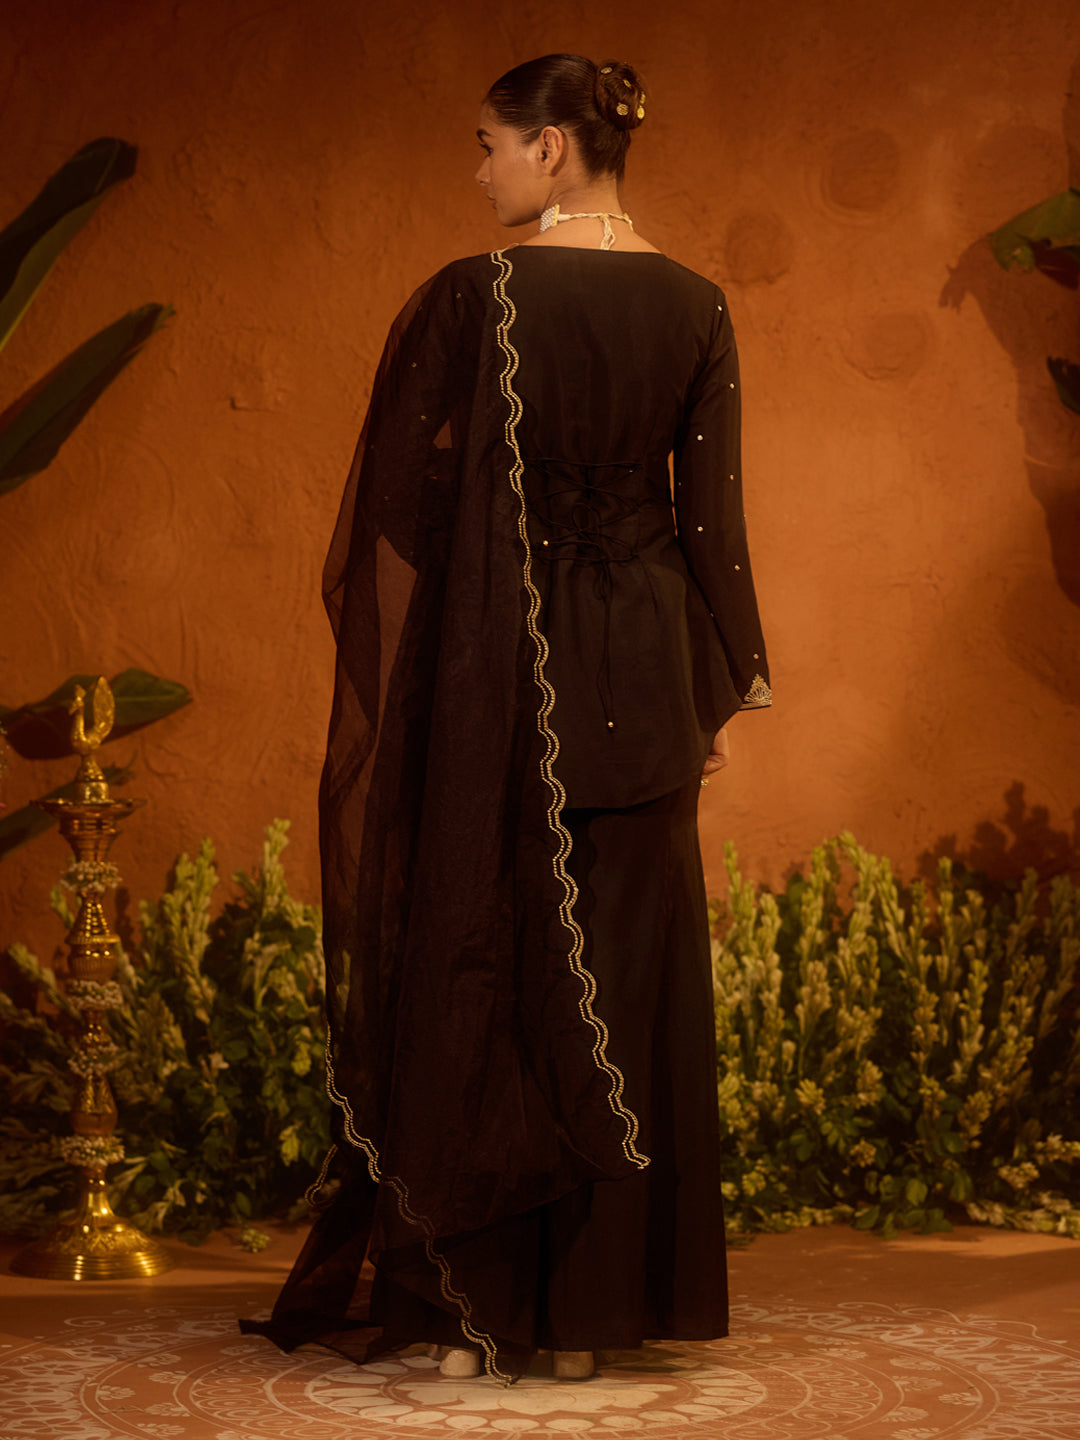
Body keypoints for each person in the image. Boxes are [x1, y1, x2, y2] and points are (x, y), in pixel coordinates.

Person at [241, 52, 770, 1385]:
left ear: (550, 148)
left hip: (501, 667)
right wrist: (725, 678)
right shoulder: (697, 305)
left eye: (489, 143)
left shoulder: (473, 298)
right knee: (626, 983)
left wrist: (490, 557)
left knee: (480, 965)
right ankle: (590, 1318)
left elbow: (393, 501)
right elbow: (710, 522)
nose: (477, 170)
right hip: (645, 672)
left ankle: (473, 1316)